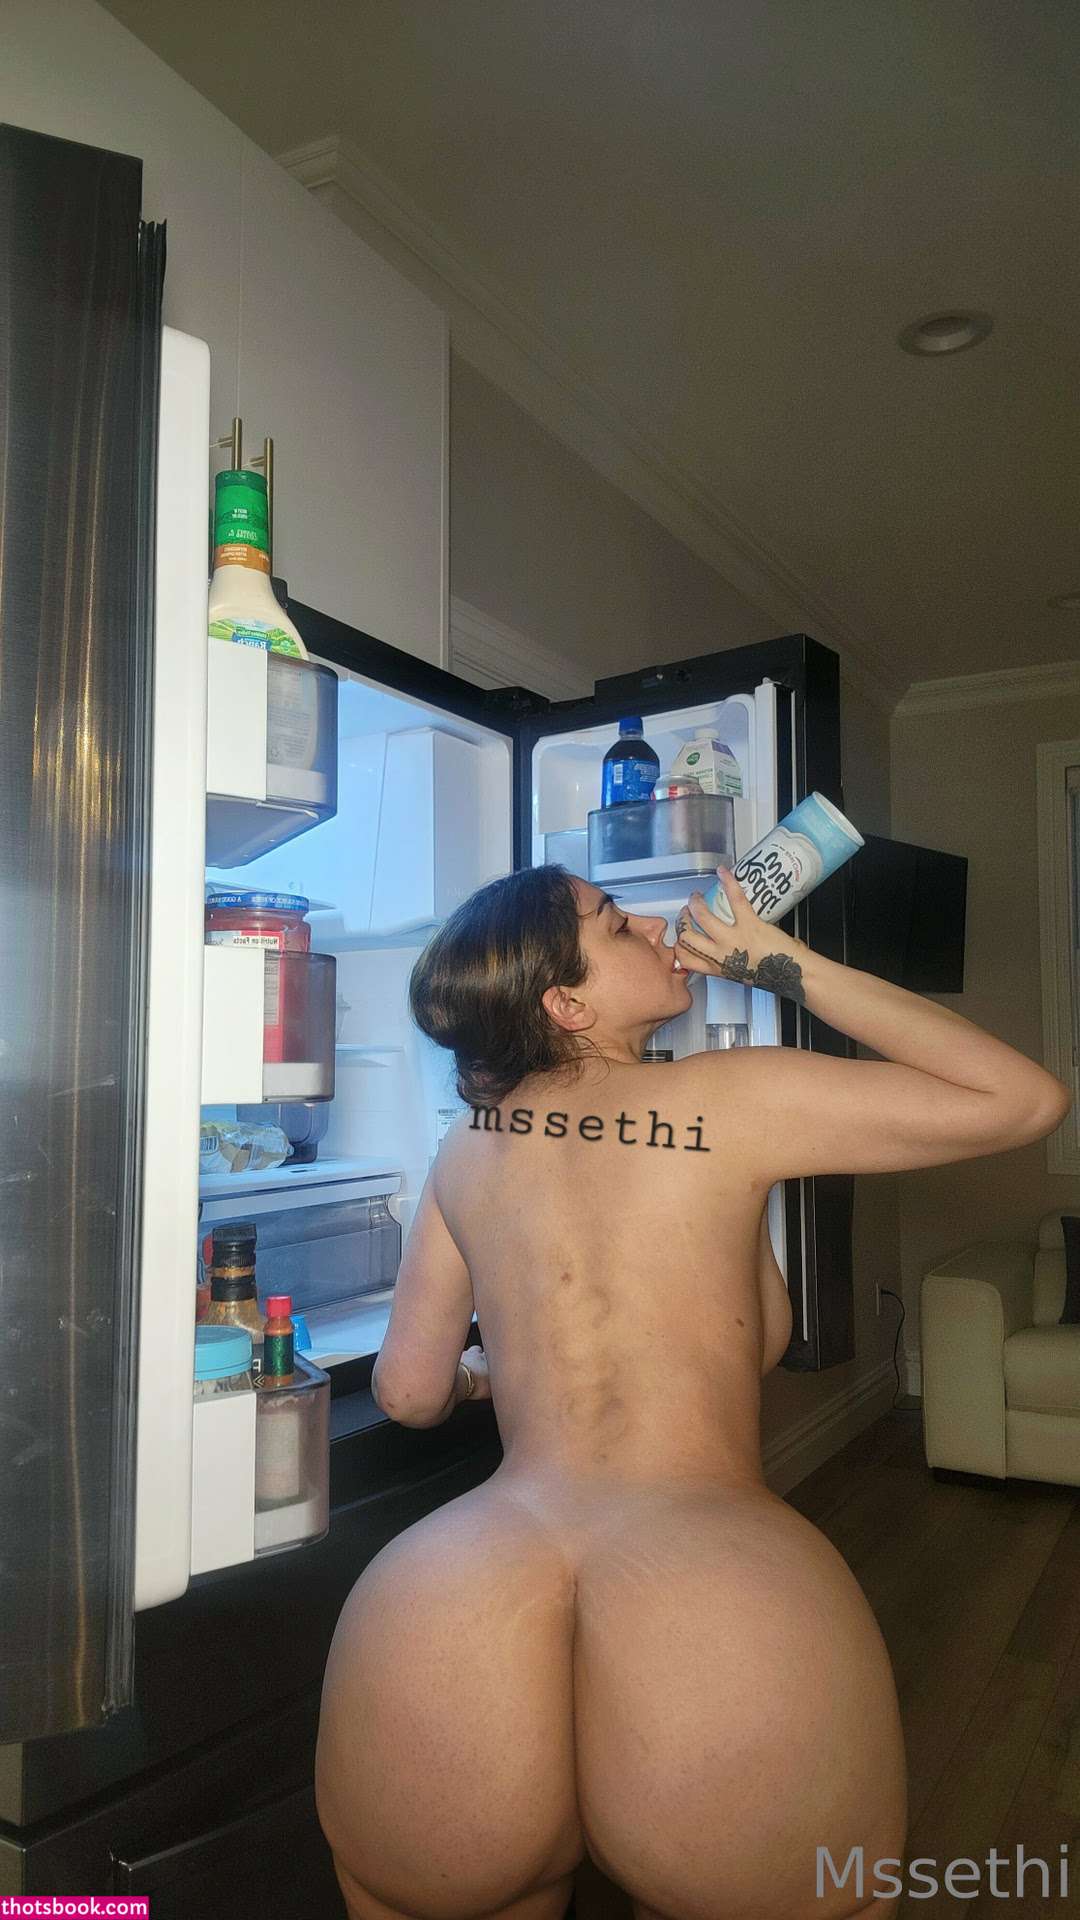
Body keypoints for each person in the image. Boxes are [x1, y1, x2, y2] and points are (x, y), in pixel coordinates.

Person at [315, 862, 1070, 1920]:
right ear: (564, 1004)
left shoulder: (467, 1144)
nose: (652, 924)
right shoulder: (725, 1097)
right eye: (615, 922)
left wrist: (492, 1378)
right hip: (703, 1575)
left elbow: (407, 1392)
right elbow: (1024, 1100)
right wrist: (785, 962)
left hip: (456, 1592)